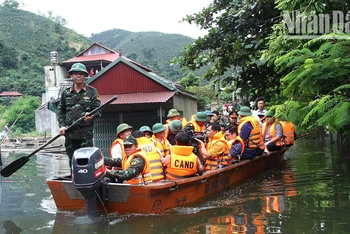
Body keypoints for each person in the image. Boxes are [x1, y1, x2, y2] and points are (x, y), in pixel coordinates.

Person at [58, 62, 101, 169]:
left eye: (81, 74)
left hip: (85, 136)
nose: (78, 76)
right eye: (75, 73)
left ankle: (86, 182)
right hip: (70, 135)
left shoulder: (92, 92)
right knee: (72, 161)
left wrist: (92, 116)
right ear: (71, 76)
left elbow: (98, 111)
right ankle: (73, 181)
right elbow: (61, 111)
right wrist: (62, 126)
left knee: (86, 161)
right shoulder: (66, 93)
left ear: (85, 76)